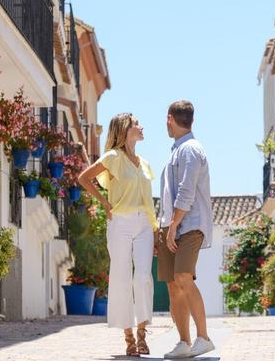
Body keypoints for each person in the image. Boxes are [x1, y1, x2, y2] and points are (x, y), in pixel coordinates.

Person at [78, 113, 158, 357]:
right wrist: (104, 203)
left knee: (143, 277)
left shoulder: (143, 163)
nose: (141, 126)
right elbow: (84, 178)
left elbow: (147, 198)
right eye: (136, 124)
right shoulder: (113, 157)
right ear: (124, 129)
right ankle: (129, 338)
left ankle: (143, 333)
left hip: (144, 223)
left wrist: (155, 227)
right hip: (120, 222)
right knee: (122, 277)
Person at [157, 100, 214, 359]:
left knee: (183, 277)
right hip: (172, 225)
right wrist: (165, 227)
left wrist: (174, 227)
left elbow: (186, 193)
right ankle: (184, 342)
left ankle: (203, 337)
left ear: (170, 118)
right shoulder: (176, 150)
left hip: (189, 225)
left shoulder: (190, 149)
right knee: (172, 284)